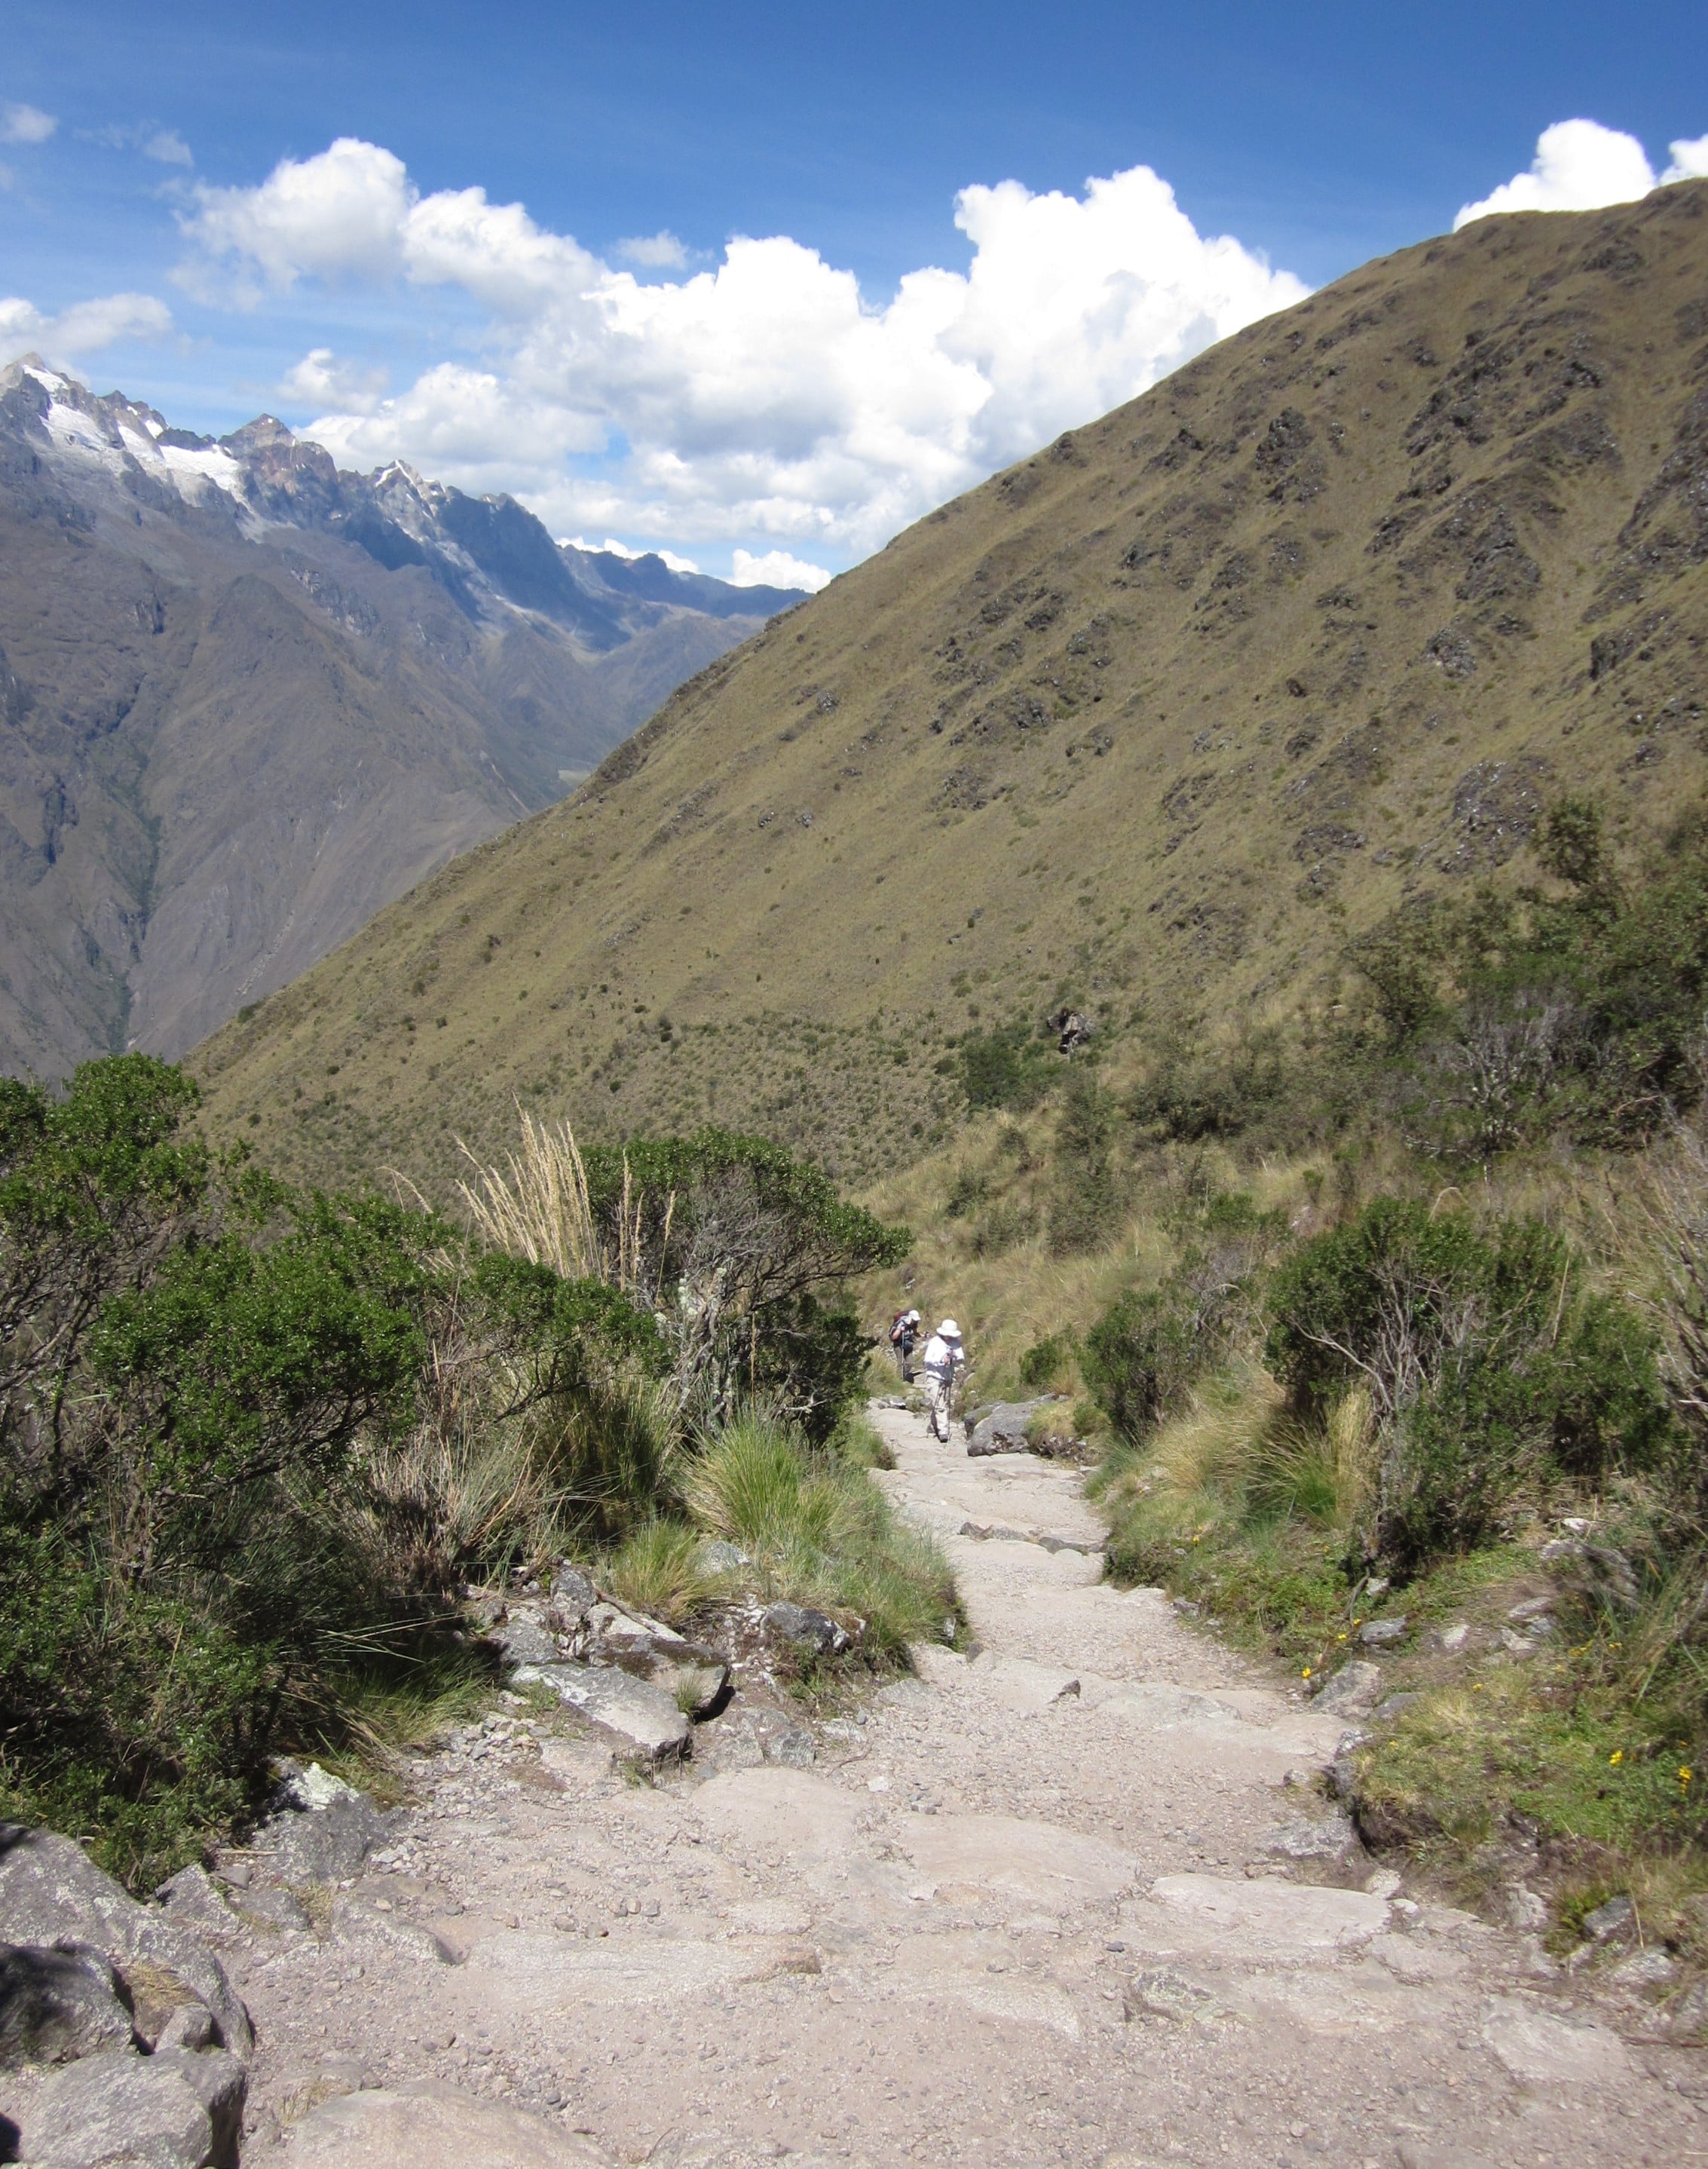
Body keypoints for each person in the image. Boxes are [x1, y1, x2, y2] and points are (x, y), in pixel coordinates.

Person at [919, 1319, 966, 1444]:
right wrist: (941, 1360)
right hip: (934, 1377)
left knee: (942, 1403)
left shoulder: (956, 1343)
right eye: (948, 1334)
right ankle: (943, 1432)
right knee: (940, 1405)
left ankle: (934, 1425)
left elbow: (962, 1358)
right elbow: (927, 1360)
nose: (949, 1337)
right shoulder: (935, 1342)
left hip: (948, 1377)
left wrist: (955, 1355)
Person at [888, 1307, 922, 1382]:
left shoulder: (914, 1324)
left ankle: (904, 1375)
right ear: (911, 1318)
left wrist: (923, 1335)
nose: (916, 1321)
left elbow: (915, 1333)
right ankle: (899, 1379)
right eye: (914, 1320)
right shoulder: (901, 1323)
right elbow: (894, 1337)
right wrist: (900, 1330)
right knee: (900, 1362)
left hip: (908, 1343)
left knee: (910, 1363)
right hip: (898, 1344)